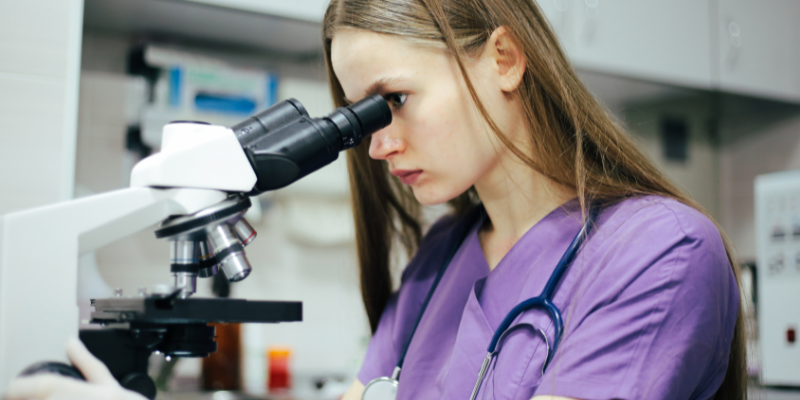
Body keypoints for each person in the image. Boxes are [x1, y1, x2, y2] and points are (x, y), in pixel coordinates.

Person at [5, 0, 745, 399]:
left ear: (505, 59)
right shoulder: (436, 263)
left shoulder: (660, 254)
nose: (376, 141)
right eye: (359, 115)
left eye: (391, 100)